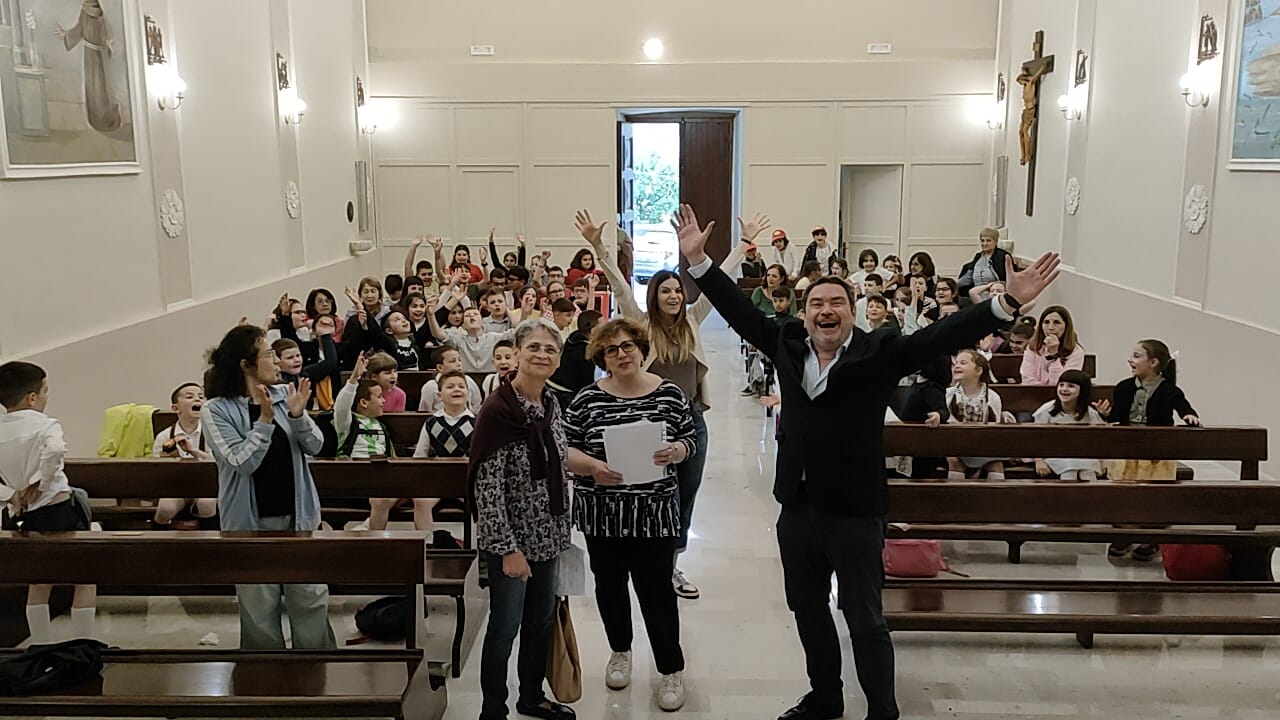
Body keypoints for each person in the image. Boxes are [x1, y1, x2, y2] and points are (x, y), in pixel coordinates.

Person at [674, 202, 1060, 720]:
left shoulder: (879, 350)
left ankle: (882, 710)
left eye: (837, 301)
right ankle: (826, 697)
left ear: (852, 311)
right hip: (798, 506)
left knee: (864, 617)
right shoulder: (786, 342)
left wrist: (1006, 303)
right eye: (816, 303)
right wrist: (699, 262)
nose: (825, 310)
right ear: (804, 312)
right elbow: (740, 313)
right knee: (806, 608)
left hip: (856, 510)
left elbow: (941, 336)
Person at [578, 208, 769, 600]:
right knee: (648, 494)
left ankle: (671, 564)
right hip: (647, 424)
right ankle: (644, 561)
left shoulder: (693, 321)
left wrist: (744, 244)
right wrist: (598, 245)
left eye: (678, 290)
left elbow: (719, 285)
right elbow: (618, 287)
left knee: (685, 493)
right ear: (655, 295)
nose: (673, 295)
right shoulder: (641, 324)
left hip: (690, 422)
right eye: (665, 290)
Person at [564, 318, 696, 711]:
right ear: (602, 357)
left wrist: (677, 451)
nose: (621, 354)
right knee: (610, 588)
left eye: (627, 346)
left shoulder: (669, 394)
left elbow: (690, 437)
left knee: (657, 593)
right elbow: (565, 450)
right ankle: (620, 651)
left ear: (641, 349)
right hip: (603, 513)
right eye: (611, 349)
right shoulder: (587, 399)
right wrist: (592, 467)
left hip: (653, 513)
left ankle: (670, 669)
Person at [201, 325, 336, 650]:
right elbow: (241, 461)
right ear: (246, 365)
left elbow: (317, 446)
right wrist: (263, 420)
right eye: (269, 354)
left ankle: (317, 675)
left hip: (298, 517)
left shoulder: (283, 394)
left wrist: (299, 416)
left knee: (311, 600)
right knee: (259, 611)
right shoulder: (216, 410)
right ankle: (269, 684)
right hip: (248, 525)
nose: (277, 361)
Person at [470, 319, 577, 720]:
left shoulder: (550, 404)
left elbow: (560, 461)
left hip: (548, 535)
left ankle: (530, 697)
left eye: (550, 350)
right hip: (512, 543)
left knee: (540, 622)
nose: (542, 355)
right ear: (516, 353)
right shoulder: (498, 410)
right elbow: (488, 490)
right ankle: (492, 709)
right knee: (503, 630)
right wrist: (507, 550)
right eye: (533, 347)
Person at [0, 361, 97, 644]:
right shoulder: (45, 424)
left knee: (39, 580)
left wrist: (12, 494)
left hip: (20, 512)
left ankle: (40, 646)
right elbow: (55, 450)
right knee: (85, 576)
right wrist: (39, 481)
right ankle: (83, 647)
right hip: (57, 511)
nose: (46, 396)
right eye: (45, 391)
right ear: (32, 397)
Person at [1094, 339, 1201, 562]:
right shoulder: (1124, 387)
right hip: (1128, 446)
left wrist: (1189, 415)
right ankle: (1124, 533)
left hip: (1156, 449)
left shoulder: (1169, 390)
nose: (1130, 360)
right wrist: (1106, 415)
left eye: (1136, 356)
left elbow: (1183, 407)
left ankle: (1150, 537)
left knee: (1154, 493)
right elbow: (1117, 418)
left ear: (1153, 362)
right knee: (1123, 491)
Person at [151, 382, 217, 529]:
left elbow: (218, 463)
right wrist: (168, 460)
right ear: (176, 408)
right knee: (165, 508)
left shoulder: (211, 433)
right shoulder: (164, 436)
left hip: (206, 488)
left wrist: (194, 451)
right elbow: (155, 470)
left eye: (201, 397)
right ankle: (157, 545)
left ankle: (212, 546)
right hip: (175, 488)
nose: (197, 400)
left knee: (207, 504)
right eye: (189, 397)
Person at [944, 350, 1007, 481]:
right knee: (954, 461)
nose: (957, 366)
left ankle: (996, 499)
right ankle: (956, 498)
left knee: (996, 465)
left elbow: (994, 426)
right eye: (955, 363)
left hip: (983, 444)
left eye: (963, 363)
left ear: (978, 370)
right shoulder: (948, 395)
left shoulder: (993, 397)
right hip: (956, 444)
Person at [1033, 370, 1104, 481]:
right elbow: (1035, 438)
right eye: (1061, 385)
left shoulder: (1089, 413)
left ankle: (1091, 497)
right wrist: (1039, 461)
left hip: (1082, 453)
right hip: (1055, 453)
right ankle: (1067, 497)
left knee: (1088, 473)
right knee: (1070, 470)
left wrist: (1101, 461)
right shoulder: (1046, 410)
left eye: (1071, 386)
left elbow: (1099, 437)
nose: (1064, 389)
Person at [425, 306, 516, 374]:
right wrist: (430, 315)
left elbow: (518, 332)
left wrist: (523, 312)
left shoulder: (495, 337)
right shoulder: (459, 339)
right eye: (467, 316)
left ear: (482, 321)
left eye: (475, 314)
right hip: (466, 379)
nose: (472, 316)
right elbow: (437, 334)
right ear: (463, 325)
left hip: (491, 377)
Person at [547, 310, 602, 409]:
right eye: (604, 327)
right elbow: (586, 388)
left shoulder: (574, 337)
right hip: (564, 395)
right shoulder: (586, 353)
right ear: (594, 331)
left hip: (551, 384)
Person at [1020, 305, 1085, 385]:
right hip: (1033, 395)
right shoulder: (1032, 348)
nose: (1050, 328)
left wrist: (1053, 356)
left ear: (1066, 326)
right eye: (1046, 322)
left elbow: (1061, 384)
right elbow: (1028, 381)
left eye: (1057, 323)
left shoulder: (1076, 352)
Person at [418, 347, 483, 413]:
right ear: (440, 367)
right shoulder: (431, 386)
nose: (458, 364)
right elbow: (424, 410)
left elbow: (477, 404)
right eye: (452, 361)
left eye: (459, 360)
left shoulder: (469, 380)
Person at [957, 227, 1012, 299]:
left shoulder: (1002, 257)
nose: (984, 244)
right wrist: (953, 285)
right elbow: (968, 277)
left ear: (995, 242)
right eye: (982, 241)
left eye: (988, 241)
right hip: (975, 294)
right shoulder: (978, 256)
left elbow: (1009, 280)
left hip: (994, 296)